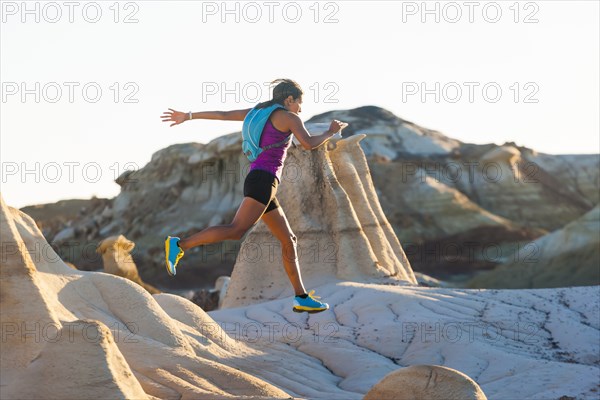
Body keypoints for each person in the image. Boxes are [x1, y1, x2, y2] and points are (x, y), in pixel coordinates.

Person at [160, 78, 348, 313]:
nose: (301, 108)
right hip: (264, 181)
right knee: (236, 229)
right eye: (299, 102)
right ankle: (180, 244)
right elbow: (309, 143)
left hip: (259, 180)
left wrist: (188, 116)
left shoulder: (258, 112)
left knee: (289, 240)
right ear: (289, 99)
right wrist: (331, 132)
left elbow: (224, 114)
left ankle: (301, 297)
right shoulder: (289, 117)